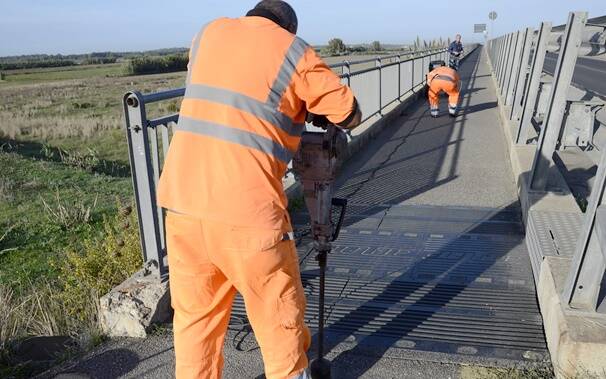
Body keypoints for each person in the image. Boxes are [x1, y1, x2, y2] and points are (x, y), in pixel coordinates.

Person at [156, 1, 362, 378]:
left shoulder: (208, 33)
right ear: (287, 27)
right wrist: (309, 107)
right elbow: (348, 111)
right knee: (277, 319)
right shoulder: (293, 50)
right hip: (247, 213)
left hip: (183, 205)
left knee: (196, 323)